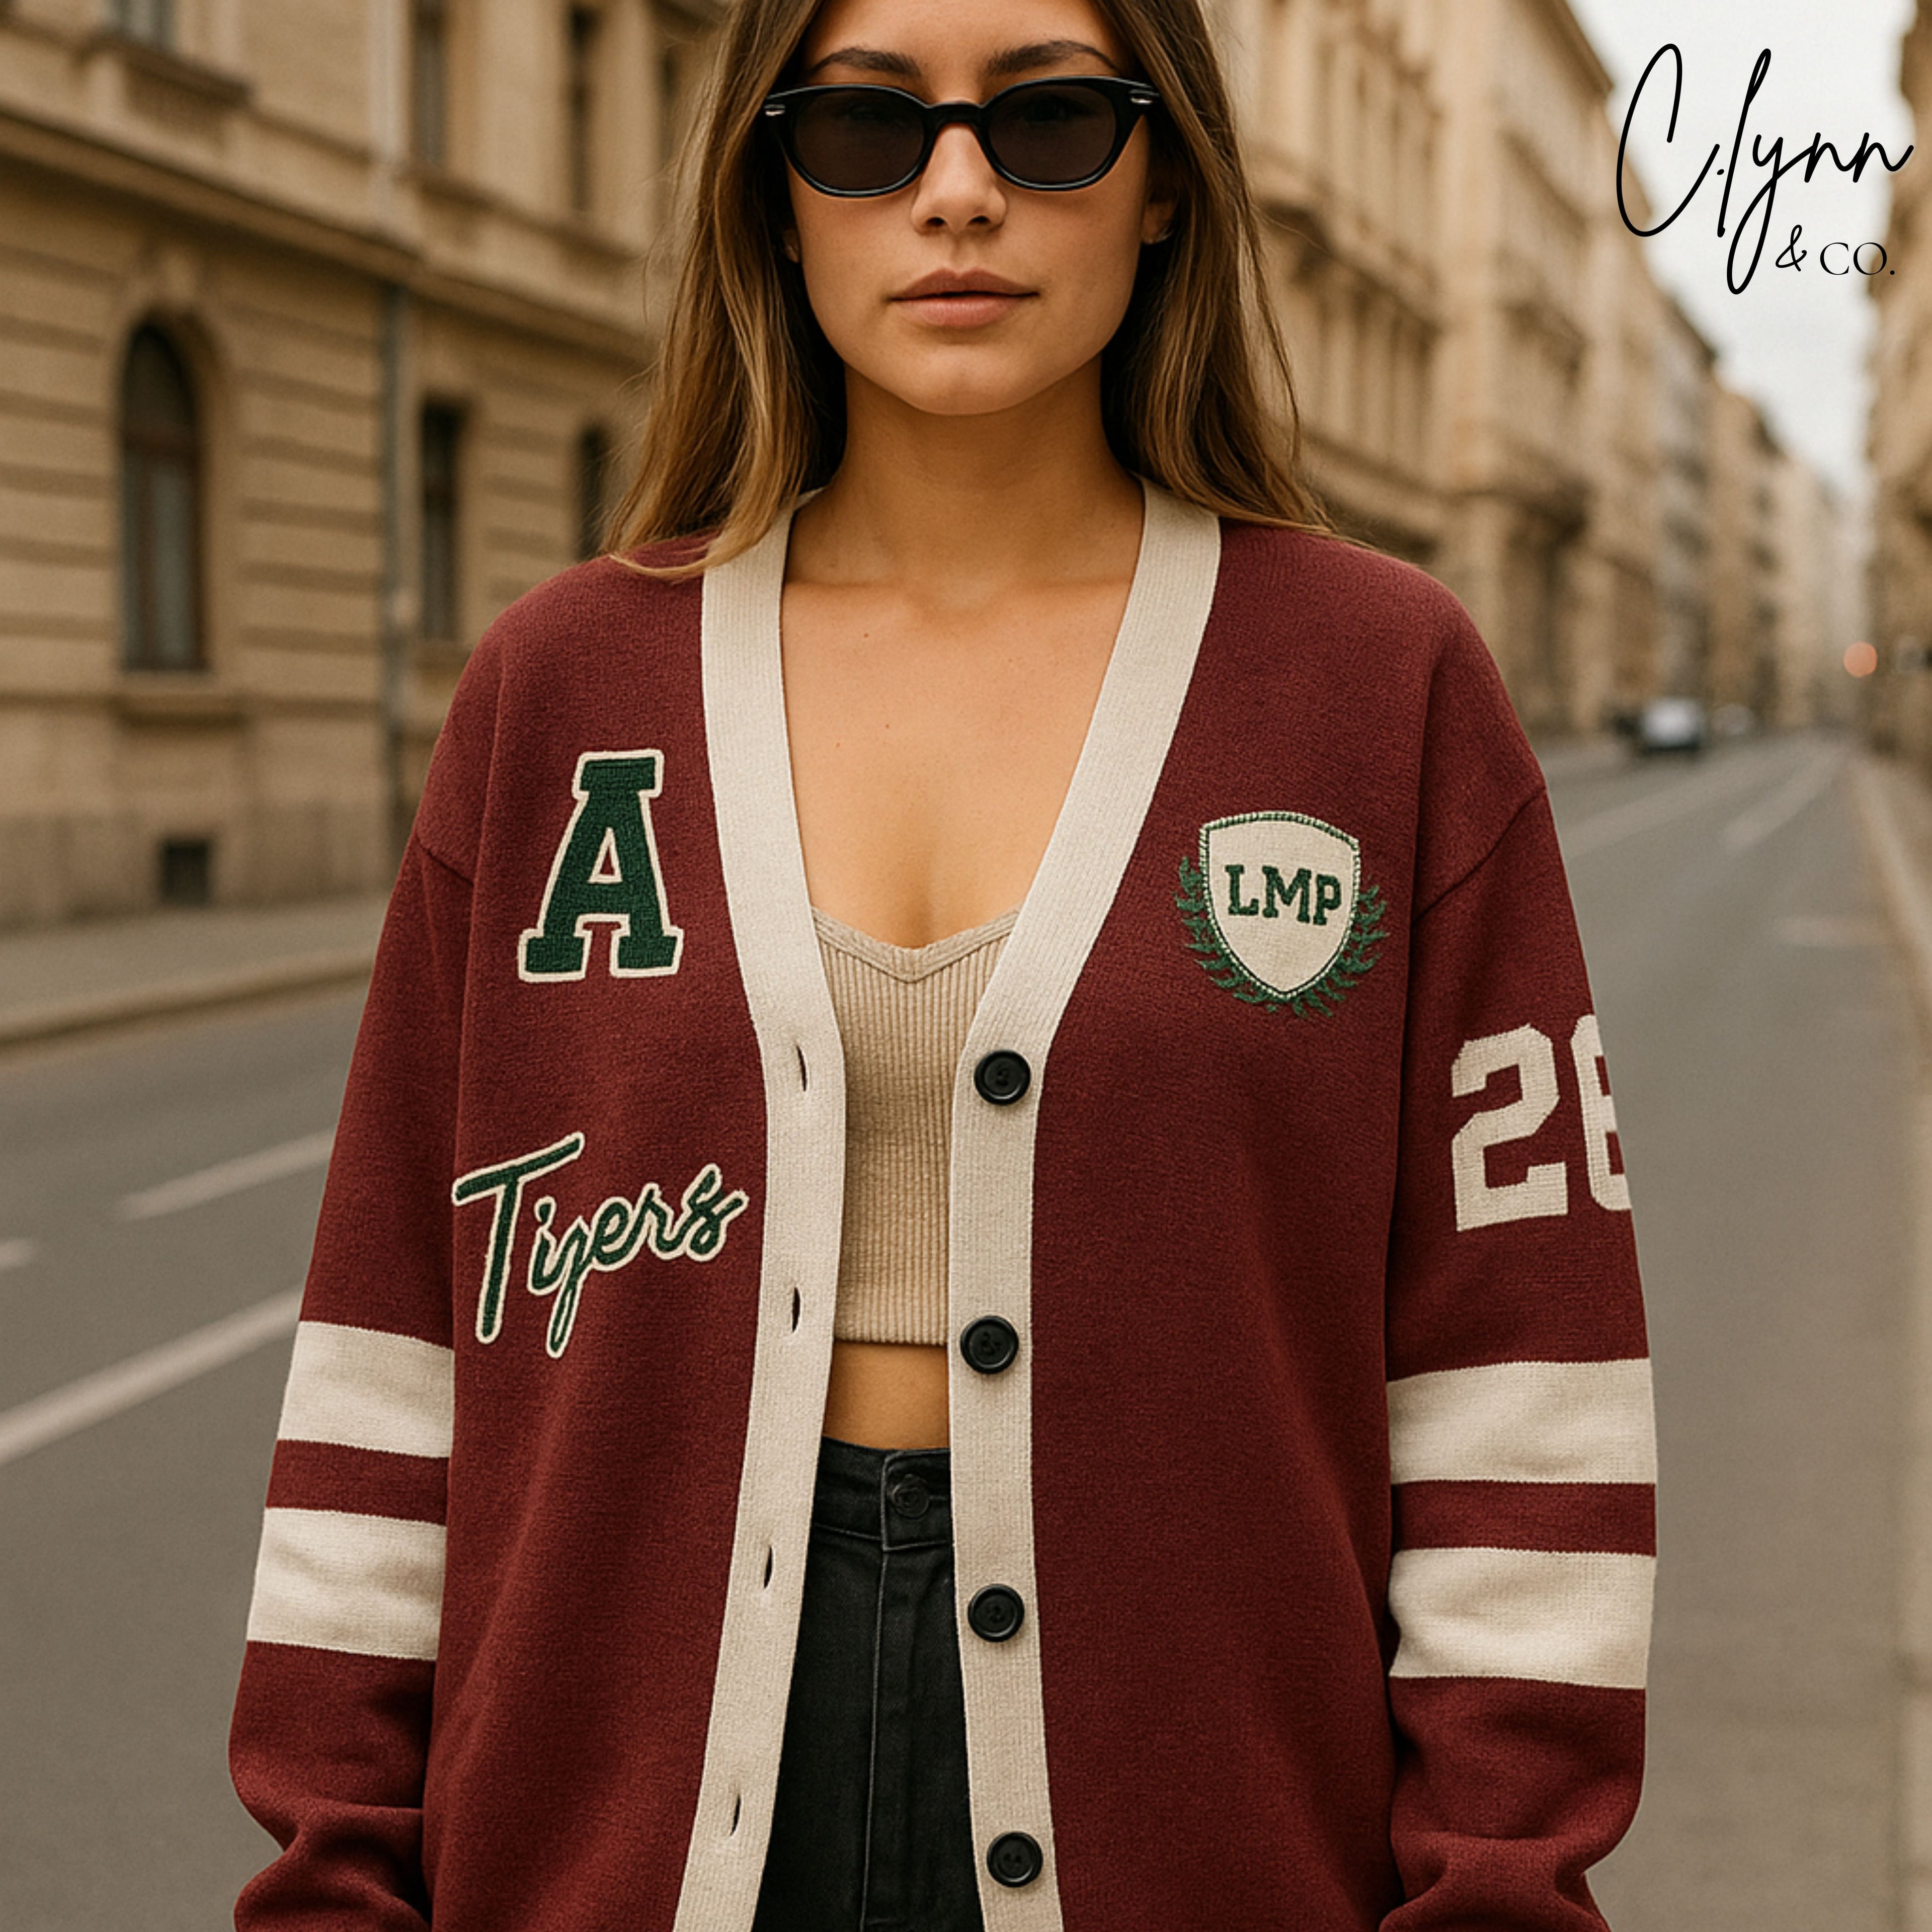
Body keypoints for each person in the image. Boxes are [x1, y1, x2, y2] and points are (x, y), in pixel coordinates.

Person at [229, 0, 1655, 1925]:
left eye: (1055, 122)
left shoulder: (1375, 686)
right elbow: (396, 1341)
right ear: (774, 188)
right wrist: (334, 1876)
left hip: (1200, 1825)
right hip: (611, 1826)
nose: (961, 193)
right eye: (867, 130)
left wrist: (1496, 1890)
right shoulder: (565, 690)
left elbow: (1520, 1368)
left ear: (1163, 191)